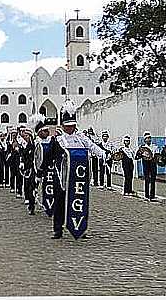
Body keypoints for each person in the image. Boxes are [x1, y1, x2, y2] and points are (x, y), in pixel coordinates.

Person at [40, 100, 107, 239]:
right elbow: (48, 157)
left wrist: (104, 154)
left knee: (80, 202)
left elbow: (93, 147)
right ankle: (58, 229)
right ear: (63, 126)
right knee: (60, 203)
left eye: (72, 126)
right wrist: (42, 170)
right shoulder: (57, 140)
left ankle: (80, 227)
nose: (70, 128)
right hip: (62, 177)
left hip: (79, 178)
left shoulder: (81, 137)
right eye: (67, 126)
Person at [135, 131, 158, 201]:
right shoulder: (142, 148)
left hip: (153, 164)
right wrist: (140, 154)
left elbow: (157, 156)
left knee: (153, 179)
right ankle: (146, 194)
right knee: (147, 179)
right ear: (144, 140)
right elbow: (137, 156)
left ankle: (152, 195)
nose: (148, 139)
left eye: (149, 138)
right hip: (145, 164)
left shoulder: (155, 147)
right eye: (147, 138)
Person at [19, 126, 36, 215]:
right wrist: (22, 162)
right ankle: (30, 204)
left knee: (32, 188)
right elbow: (22, 155)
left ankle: (32, 204)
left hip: (33, 169)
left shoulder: (34, 145)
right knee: (27, 187)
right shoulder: (24, 145)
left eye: (27, 136)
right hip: (27, 169)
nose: (25, 137)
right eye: (24, 136)